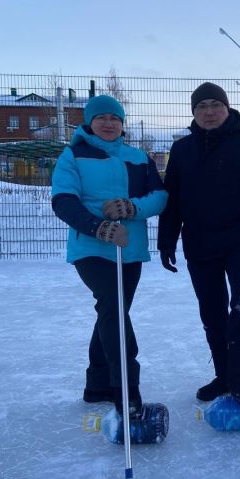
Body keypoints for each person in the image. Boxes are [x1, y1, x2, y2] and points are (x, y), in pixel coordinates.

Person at [157, 82, 240, 404]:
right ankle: (223, 377)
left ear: (227, 109)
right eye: (201, 106)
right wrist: (166, 240)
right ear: (193, 113)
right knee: (211, 313)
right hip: (200, 245)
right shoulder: (183, 150)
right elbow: (172, 199)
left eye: (215, 105)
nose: (209, 112)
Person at [51, 94, 168, 414]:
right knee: (114, 309)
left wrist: (132, 208)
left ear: (122, 124)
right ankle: (126, 389)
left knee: (111, 311)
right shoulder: (73, 155)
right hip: (91, 248)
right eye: (101, 118)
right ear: (89, 122)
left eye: (114, 118)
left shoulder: (138, 157)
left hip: (128, 250)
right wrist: (98, 227)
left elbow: (159, 197)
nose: (108, 123)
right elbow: (63, 201)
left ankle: (97, 384)